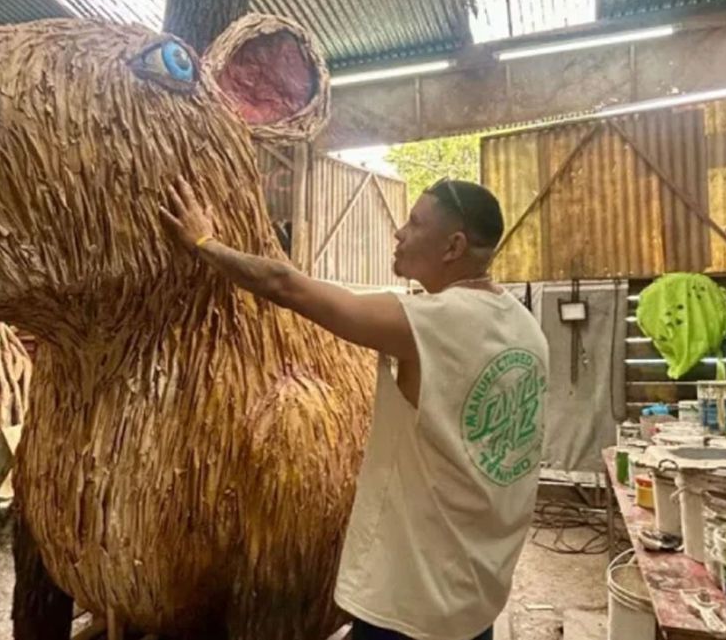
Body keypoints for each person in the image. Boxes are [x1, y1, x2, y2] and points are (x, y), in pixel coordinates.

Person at [160, 176, 549, 640]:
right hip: (476, 598)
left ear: (454, 246)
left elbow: (286, 286)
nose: (399, 232)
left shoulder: (437, 323)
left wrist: (204, 243)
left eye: (415, 223)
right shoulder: (525, 328)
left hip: (411, 605)